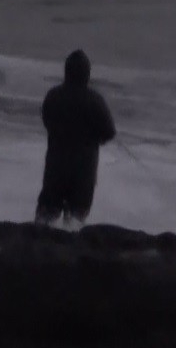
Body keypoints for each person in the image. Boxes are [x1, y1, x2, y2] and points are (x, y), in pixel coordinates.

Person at [35, 50, 116, 228]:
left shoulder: (53, 95)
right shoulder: (95, 100)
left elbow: (47, 120)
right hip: (84, 171)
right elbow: (110, 132)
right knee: (75, 222)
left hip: (56, 167)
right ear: (87, 74)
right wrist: (97, 137)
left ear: (66, 71)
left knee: (44, 219)